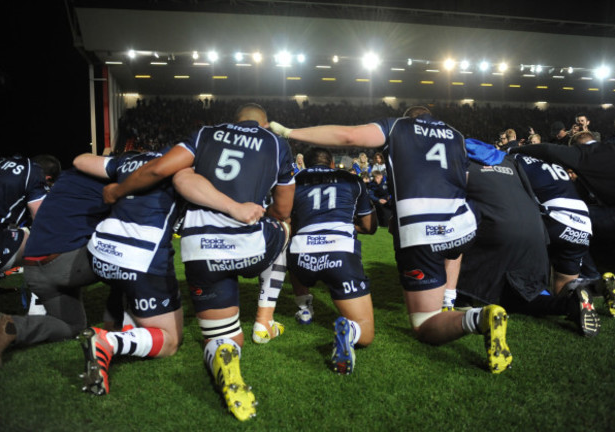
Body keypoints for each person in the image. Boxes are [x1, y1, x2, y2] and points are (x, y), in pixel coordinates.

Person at [270, 106, 513, 374]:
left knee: (424, 323)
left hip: (419, 228)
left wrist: (290, 132)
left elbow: (350, 136)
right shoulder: (455, 134)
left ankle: (477, 318)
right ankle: (450, 299)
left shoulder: (397, 127)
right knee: (451, 247)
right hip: (462, 223)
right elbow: (465, 178)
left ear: (408, 118)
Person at [101, 103, 294, 421]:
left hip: (200, 245)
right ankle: (264, 319)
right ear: (264, 124)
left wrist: (117, 190)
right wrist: (267, 220)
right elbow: (284, 208)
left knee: (225, 337)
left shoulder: (204, 134)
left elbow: (158, 170)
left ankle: (222, 350)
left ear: (235, 120)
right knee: (285, 228)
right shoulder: (275, 142)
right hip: (249, 243)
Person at [458, 139, 600, 337]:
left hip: (550, 219)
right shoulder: (552, 164)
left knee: (517, 285)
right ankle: (578, 298)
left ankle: (462, 298)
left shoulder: (514, 160)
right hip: (583, 225)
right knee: (559, 290)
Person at [72, 148, 184, 396]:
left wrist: (118, 164)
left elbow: (80, 160)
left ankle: (126, 327)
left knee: (128, 286)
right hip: (139, 256)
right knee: (170, 340)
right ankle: (109, 342)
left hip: (99, 252)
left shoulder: (127, 161)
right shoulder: (180, 163)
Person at [510, 131, 615, 303]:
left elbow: (548, 150)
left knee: (576, 218)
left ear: (575, 146)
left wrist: (513, 149)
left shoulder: (582, 153)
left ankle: (591, 276)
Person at [0, 168, 111, 368]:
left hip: (33, 269)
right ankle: (120, 327)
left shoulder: (63, 185)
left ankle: (12, 326)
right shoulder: (105, 187)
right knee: (124, 255)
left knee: (71, 326)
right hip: (62, 264)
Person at [287, 147, 376, 373]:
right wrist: (348, 226)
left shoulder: (293, 179)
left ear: (305, 164)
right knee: (365, 333)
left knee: (290, 242)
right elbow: (369, 227)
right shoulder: (352, 180)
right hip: (340, 254)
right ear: (332, 164)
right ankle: (350, 331)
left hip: (301, 257)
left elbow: (284, 220)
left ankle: (304, 307)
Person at [0, 155, 48, 278]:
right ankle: (40, 291)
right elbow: (41, 220)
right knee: (39, 244)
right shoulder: (33, 172)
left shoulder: (3, 163)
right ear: (48, 178)